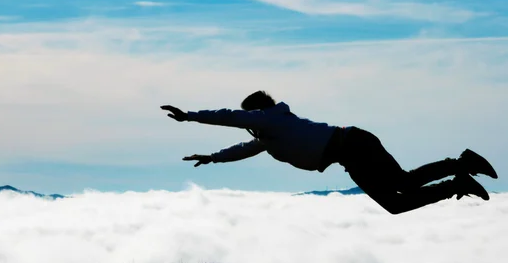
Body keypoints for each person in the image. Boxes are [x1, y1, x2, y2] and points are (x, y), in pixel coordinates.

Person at [161, 91, 498, 215]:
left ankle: (461, 169)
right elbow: (243, 150)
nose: (250, 127)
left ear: (258, 113)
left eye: (252, 120)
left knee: (403, 186)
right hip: (350, 153)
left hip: (352, 144)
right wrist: (212, 157)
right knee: (399, 195)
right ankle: (459, 179)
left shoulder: (270, 121)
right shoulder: (269, 135)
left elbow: (229, 118)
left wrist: (189, 116)